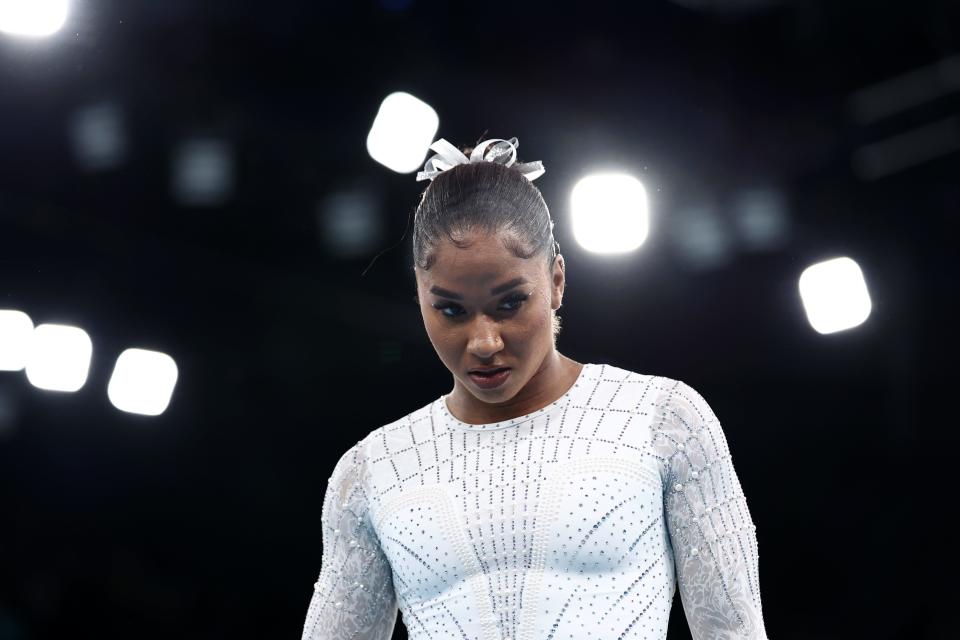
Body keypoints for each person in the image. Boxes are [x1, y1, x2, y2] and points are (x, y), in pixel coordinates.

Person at [301, 137, 770, 640]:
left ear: (557, 280)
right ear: (419, 298)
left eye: (509, 303)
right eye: (451, 310)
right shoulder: (372, 471)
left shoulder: (664, 420)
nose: (484, 341)